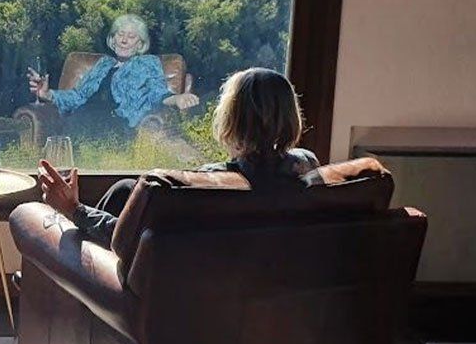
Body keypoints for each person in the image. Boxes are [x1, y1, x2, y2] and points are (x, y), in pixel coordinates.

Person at [38, 67, 319, 248]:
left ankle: (57, 281)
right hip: (264, 292)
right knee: (125, 189)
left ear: (229, 118)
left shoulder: (206, 185)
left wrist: (74, 209)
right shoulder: (306, 168)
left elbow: (125, 241)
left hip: (178, 296)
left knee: (124, 195)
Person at [25, 13, 198, 137]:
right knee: (70, 133)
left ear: (140, 44)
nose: (123, 40)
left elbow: (156, 93)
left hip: (116, 121)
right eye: (120, 35)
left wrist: (176, 98)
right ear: (113, 39)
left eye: (131, 37)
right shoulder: (103, 64)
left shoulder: (147, 63)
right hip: (83, 117)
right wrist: (47, 94)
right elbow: (78, 96)